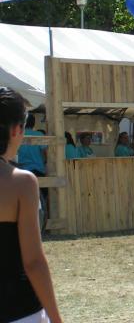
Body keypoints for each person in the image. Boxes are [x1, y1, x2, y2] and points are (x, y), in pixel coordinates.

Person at [0, 87, 63, 323]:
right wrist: (57, 319)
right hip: (19, 310)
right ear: (17, 129)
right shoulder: (22, 182)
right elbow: (33, 262)